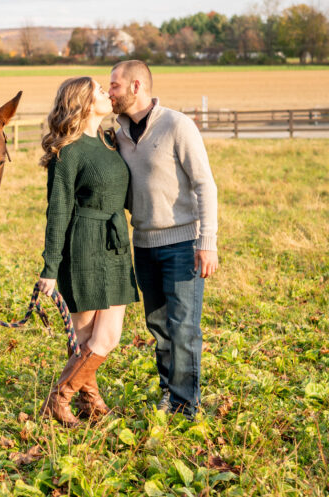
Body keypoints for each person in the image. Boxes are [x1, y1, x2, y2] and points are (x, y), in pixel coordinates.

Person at [108, 60, 219, 418]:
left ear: (136, 86)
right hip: (143, 244)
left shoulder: (177, 125)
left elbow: (205, 185)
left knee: (183, 326)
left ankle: (186, 406)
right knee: (158, 325)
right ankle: (170, 392)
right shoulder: (118, 133)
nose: (109, 92)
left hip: (183, 244)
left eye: (114, 86)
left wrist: (207, 242)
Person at [38, 76, 139, 427]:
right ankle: (80, 401)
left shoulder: (110, 142)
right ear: (82, 102)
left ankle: (70, 399)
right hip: (82, 244)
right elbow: (58, 211)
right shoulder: (69, 151)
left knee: (108, 336)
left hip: (115, 243)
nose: (107, 94)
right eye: (99, 91)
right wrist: (50, 268)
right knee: (86, 339)